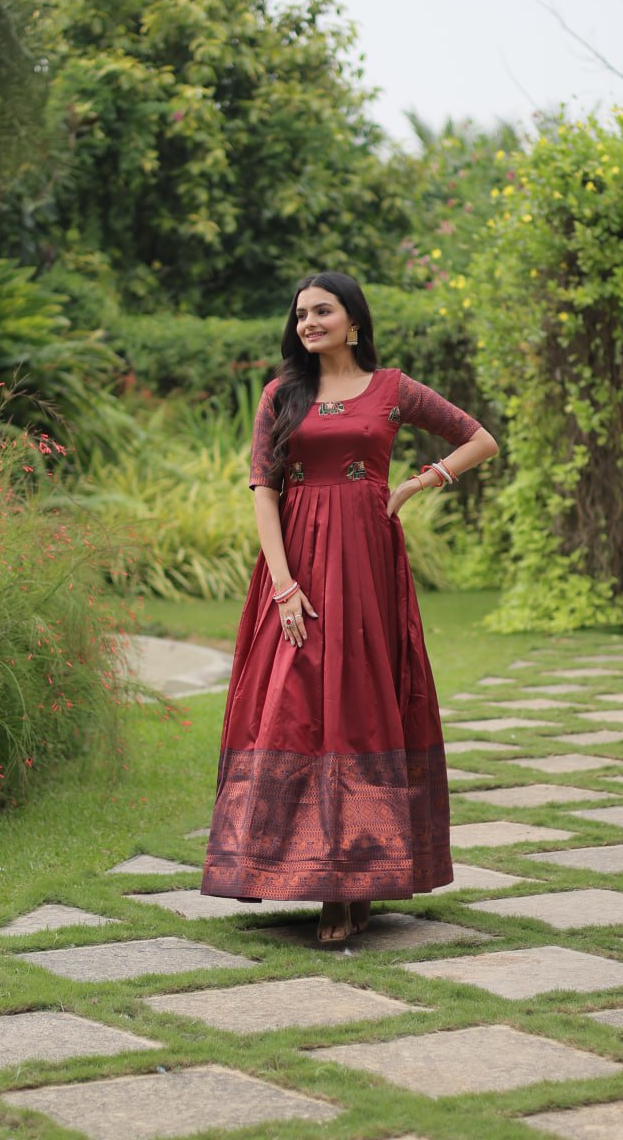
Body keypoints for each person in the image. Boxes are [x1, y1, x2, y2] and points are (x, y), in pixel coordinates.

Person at [201, 271, 499, 941]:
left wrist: (419, 483)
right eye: (300, 313)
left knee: (360, 706)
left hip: (366, 566)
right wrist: (282, 585)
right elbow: (262, 489)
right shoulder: (281, 394)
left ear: (352, 321)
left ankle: (354, 881)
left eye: (322, 311)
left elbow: (479, 438)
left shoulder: (392, 390)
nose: (308, 322)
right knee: (296, 705)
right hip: (298, 565)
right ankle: (312, 871)